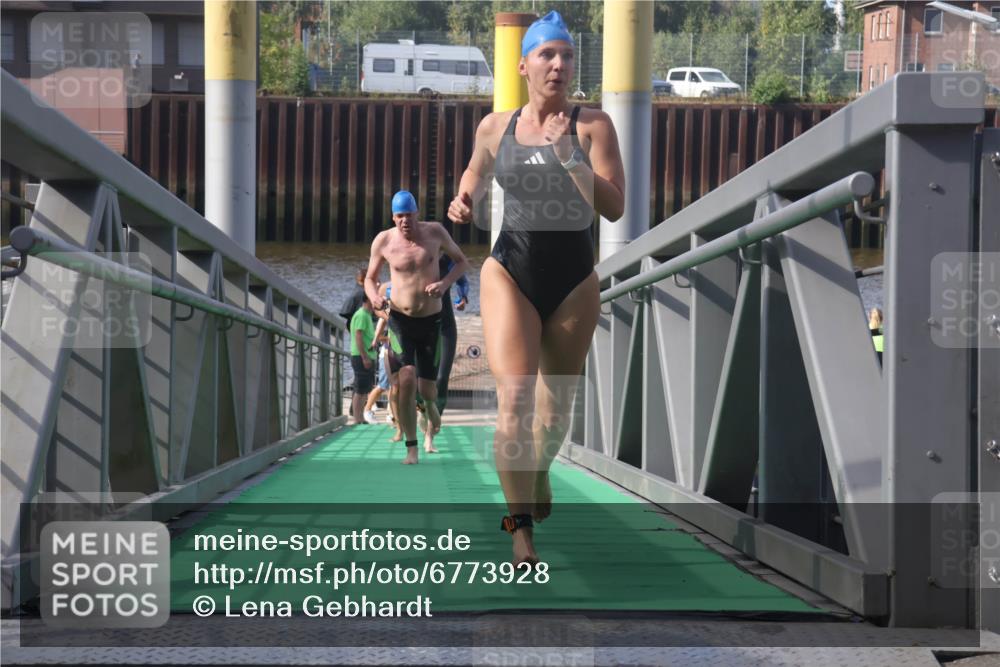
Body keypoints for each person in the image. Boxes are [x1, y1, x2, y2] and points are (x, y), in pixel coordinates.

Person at [447, 10, 625, 565]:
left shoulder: (592, 126)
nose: (559, 65)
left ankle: (540, 469)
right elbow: (476, 168)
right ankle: (520, 530)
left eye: (567, 55)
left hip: (574, 276)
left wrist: (568, 154)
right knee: (515, 399)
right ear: (523, 65)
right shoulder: (495, 126)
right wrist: (465, 198)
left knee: (554, 416)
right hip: (511, 268)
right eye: (548, 55)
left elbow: (615, 207)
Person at [366, 190, 470, 464]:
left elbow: (462, 262)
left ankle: (431, 407)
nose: (405, 221)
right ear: (393, 217)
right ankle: (411, 448)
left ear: (417, 214)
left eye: (409, 215)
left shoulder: (435, 233)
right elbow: (370, 278)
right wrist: (375, 297)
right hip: (400, 320)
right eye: (399, 216)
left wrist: (445, 284)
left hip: (431, 321)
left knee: (428, 390)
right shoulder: (384, 241)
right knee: (406, 378)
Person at [349, 294, 378, 425]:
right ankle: (357, 419)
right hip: (361, 356)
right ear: (368, 300)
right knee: (360, 389)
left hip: (367, 355)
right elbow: (358, 336)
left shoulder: (367, 315)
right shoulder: (361, 315)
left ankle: (360, 417)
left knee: (365, 388)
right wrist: (364, 356)